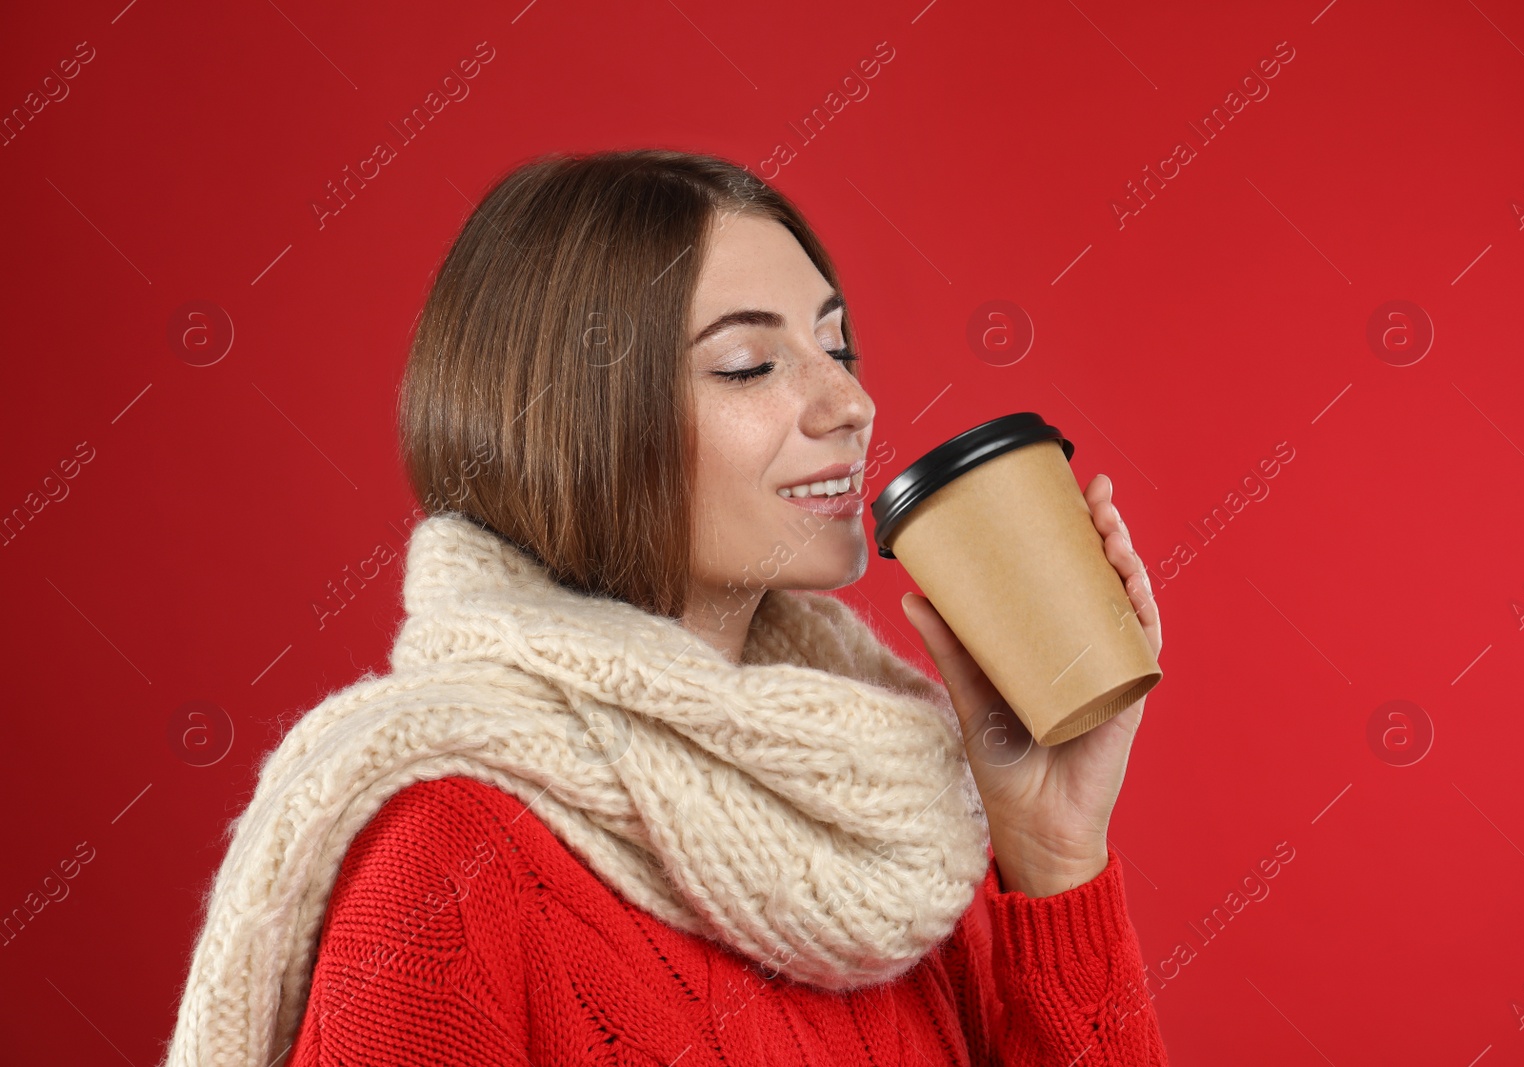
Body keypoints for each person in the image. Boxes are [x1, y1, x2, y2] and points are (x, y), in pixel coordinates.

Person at [161, 149, 1170, 1067]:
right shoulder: (444, 864)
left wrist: (1052, 848)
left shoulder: (884, 834)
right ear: (577, 423)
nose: (848, 404)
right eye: (749, 364)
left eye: (836, 348)